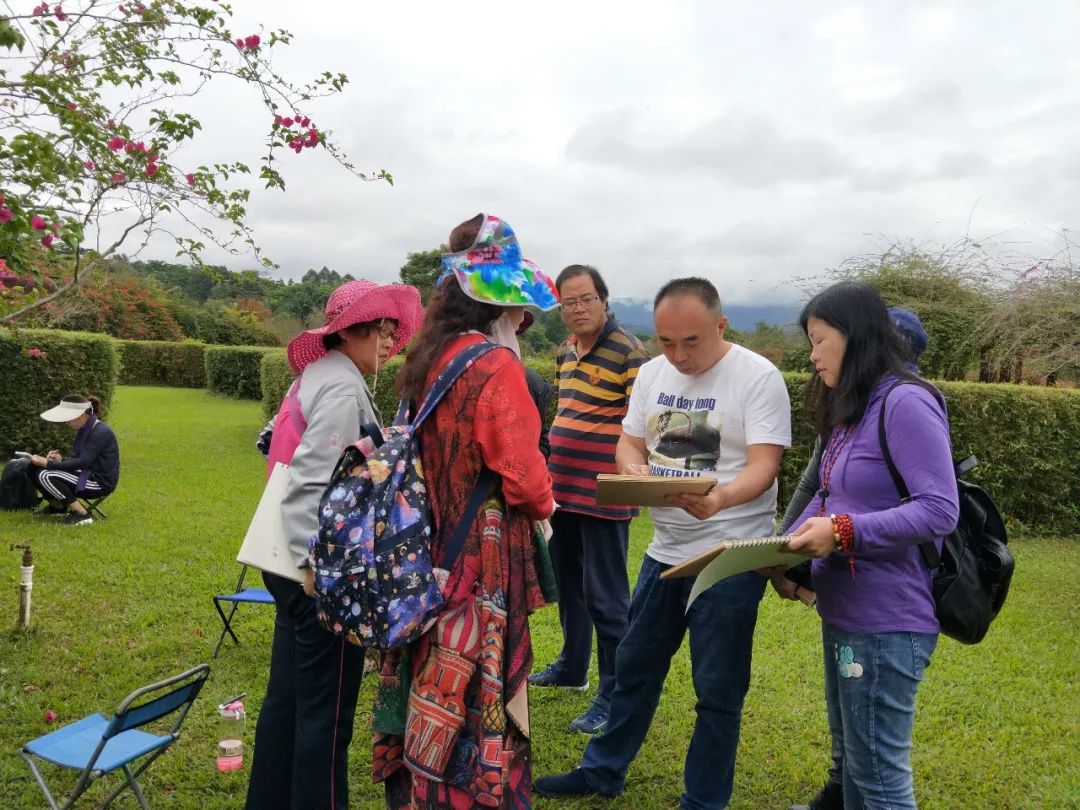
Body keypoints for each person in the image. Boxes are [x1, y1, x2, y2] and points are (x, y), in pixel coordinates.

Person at [536, 277, 792, 809]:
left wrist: (722, 498)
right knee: (634, 666)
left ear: (721, 325)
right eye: (666, 341)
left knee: (717, 687)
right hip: (665, 551)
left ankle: (703, 800)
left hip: (729, 554)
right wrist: (633, 471)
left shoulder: (757, 376)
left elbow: (765, 465)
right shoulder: (653, 373)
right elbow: (630, 442)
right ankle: (602, 771)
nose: (677, 355)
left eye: (691, 341)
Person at [375, 213, 557, 809]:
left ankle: (420, 786)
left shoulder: (431, 358)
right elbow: (525, 480)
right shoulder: (496, 367)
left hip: (427, 545)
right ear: (499, 302)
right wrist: (546, 498)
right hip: (482, 554)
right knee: (478, 680)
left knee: (434, 668)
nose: (521, 318)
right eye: (518, 306)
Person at [245, 278, 423, 810]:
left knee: (287, 700)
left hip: (280, 559)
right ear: (349, 331)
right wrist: (314, 568)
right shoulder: (343, 388)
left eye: (392, 331)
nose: (389, 341)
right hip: (316, 569)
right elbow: (311, 481)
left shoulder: (317, 375)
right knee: (327, 713)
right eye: (380, 329)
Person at [784, 282, 958, 810]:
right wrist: (782, 547)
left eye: (819, 341)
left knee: (880, 782)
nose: (812, 356)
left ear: (855, 335)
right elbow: (828, 491)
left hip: (886, 622)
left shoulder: (905, 402)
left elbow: (939, 509)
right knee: (857, 772)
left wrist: (842, 532)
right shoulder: (854, 407)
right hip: (845, 612)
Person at [528, 264, 650, 736]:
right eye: (568, 302)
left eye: (586, 299)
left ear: (604, 300)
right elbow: (566, 410)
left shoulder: (630, 351)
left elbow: (642, 425)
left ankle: (613, 694)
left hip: (604, 492)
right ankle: (572, 665)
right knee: (568, 585)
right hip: (561, 490)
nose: (577, 308)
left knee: (607, 597)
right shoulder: (564, 351)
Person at [29, 394, 119, 526]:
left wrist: (48, 464)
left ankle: (81, 514)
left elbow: (83, 462)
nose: (66, 422)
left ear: (81, 415)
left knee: (45, 475)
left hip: (99, 482)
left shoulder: (101, 431)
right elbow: (80, 460)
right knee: (32, 467)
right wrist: (60, 460)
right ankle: (57, 506)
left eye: (69, 419)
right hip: (86, 474)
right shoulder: (85, 429)